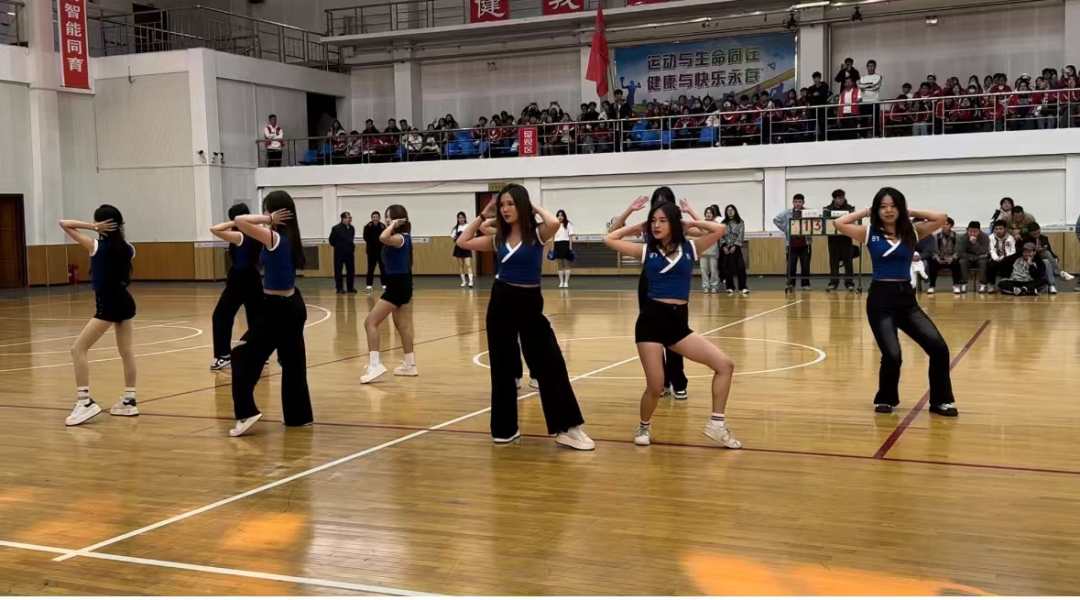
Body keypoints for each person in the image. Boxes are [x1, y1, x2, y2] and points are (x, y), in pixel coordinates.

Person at [455, 184, 594, 450]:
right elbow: (463, 242)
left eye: (510, 204)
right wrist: (483, 214)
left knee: (551, 362)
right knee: (503, 367)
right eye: (502, 205)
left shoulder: (537, 234)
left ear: (522, 205)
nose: (505, 209)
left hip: (530, 303)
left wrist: (533, 207)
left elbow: (554, 222)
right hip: (501, 300)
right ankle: (504, 430)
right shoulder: (498, 239)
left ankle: (567, 428)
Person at [604, 201, 741, 448]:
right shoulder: (647, 251)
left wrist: (689, 222)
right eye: (653, 221)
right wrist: (637, 225)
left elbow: (719, 230)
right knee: (655, 386)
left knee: (725, 365)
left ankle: (717, 425)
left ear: (674, 224)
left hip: (677, 324)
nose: (656, 225)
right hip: (651, 322)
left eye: (662, 220)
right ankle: (644, 425)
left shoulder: (690, 248)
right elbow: (609, 239)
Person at [833, 188, 958, 417]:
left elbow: (941, 218)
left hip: (906, 301)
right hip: (880, 301)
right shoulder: (869, 233)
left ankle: (940, 401)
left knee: (939, 349)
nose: (888, 211)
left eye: (893, 206)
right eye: (883, 207)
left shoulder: (913, 231)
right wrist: (867, 211)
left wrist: (908, 211)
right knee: (892, 355)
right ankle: (886, 398)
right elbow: (839, 223)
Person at [228, 191, 313, 437]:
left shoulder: (273, 236)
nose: (265, 214)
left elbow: (239, 221)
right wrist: (269, 219)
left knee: (241, 354)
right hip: (293, 305)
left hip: (278, 309)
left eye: (267, 209)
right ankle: (299, 416)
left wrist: (268, 219)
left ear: (276, 212)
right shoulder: (291, 237)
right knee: (293, 361)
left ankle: (246, 412)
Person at [59, 206, 139, 426]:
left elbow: (64, 224)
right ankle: (129, 400)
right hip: (125, 301)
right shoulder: (129, 248)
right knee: (126, 351)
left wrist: (93, 227)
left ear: (101, 224)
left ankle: (85, 402)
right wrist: (100, 227)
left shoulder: (96, 246)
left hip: (109, 304)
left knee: (78, 349)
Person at [608, 188, 689, 399]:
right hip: (650, 281)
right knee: (653, 334)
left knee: (677, 334)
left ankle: (678, 380)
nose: (660, 206)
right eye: (656, 202)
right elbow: (612, 233)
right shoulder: (649, 227)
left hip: (674, 284)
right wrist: (630, 211)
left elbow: (709, 232)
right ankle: (661, 382)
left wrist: (690, 215)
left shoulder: (679, 227)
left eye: (665, 202)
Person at [360, 205, 418, 384]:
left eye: (390, 217)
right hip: (403, 284)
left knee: (370, 323)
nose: (387, 220)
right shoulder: (402, 237)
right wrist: (392, 225)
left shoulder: (400, 237)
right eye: (386, 217)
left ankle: (375, 365)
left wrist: (392, 225)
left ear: (399, 218)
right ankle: (410, 365)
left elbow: (382, 237)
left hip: (397, 286)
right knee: (403, 326)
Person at [209, 203, 264, 371]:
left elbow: (215, 229)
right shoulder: (258, 232)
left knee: (220, 316)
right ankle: (260, 353)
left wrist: (236, 223)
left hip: (239, 279)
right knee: (256, 316)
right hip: (254, 278)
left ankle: (224, 355)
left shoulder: (240, 235)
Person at [1022, 222, 1075, 294]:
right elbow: (1024, 251)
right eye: (1034, 234)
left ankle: (1052, 285)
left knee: (1046, 261)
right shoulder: (1025, 239)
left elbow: (1050, 250)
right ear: (1030, 233)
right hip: (1031, 258)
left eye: (1038, 233)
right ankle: (1060, 273)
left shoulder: (1044, 238)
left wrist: (1055, 257)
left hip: (1042, 258)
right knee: (1046, 253)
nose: (1037, 235)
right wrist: (1037, 251)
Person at [774, 193, 812, 291]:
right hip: (791, 244)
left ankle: (805, 285)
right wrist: (786, 229)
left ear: (803, 202)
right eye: (796, 202)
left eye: (800, 202)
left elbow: (816, 221)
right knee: (791, 266)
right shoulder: (787, 213)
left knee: (805, 265)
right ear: (793, 203)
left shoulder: (808, 212)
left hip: (805, 244)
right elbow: (776, 220)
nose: (798, 203)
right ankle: (790, 284)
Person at [825, 189, 856, 291]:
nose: (841, 200)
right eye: (839, 198)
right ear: (834, 199)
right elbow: (825, 222)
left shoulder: (850, 208)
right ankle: (833, 283)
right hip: (833, 239)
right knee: (833, 261)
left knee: (848, 261)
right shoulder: (827, 209)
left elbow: (853, 221)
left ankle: (849, 283)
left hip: (846, 239)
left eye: (842, 198)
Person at [928, 217, 962, 294]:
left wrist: (952, 258)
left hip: (951, 260)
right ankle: (932, 286)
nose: (944, 226)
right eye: (943, 224)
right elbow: (934, 251)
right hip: (940, 259)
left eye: (947, 224)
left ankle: (956, 285)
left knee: (957, 262)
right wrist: (937, 259)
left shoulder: (956, 236)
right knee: (932, 262)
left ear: (951, 226)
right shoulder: (937, 236)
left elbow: (957, 251)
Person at [720, 204, 748, 294]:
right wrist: (723, 246)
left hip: (737, 248)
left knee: (741, 267)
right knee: (728, 269)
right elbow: (720, 236)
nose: (730, 212)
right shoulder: (723, 223)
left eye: (732, 210)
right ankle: (730, 287)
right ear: (726, 212)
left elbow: (741, 235)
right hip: (727, 248)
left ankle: (742, 287)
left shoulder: (740, 222)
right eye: (728, 210)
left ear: (735, 211)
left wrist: (735, 246)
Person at [329, 212, 357, 294]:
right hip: (339, 253)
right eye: (348, 218)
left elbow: (351, 239)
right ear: (343, 219)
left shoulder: (352, 228)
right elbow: (331, 240)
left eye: (350, 217)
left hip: (350, 252)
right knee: (338, 270)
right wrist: (339, 246)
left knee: (351, 270)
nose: (350, 219)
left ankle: (350, 287)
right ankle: (339, 288)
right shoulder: (336, 228)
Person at [988, 219, 1017, 291]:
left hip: (1007, 258)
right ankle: (992, 285)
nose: (998, 231)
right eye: (996, 229)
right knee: (991, 264)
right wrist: (997, 259)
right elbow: (992, 250)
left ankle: (1006, 284)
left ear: (1005, 229)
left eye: (1001, 229)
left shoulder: (1010, 238)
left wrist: (1005, 258)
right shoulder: (991, 238)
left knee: (1008, 262)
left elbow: (1013, 251)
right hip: (995, 258)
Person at [699, 205, 721, 293]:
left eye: (710, 213)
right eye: (707, 213)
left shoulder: (717, 224)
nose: (708, 214)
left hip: (713, 250)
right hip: (703, 250)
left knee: (713, 270)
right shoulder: (701, 224)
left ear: (713, 214)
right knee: (703, 269)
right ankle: (705, 286)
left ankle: (714, 286)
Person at [362, 211, 386, 292]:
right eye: (374, 217)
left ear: (379, 218)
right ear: (371, 218)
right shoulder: (367, 226)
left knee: (383, 268)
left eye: (376, 217)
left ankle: (384, 284)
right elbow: (366, 238)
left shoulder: (383, 226)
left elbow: (384, 237)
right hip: (371, 252)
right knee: (370, 269)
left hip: (381, 251)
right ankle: (369, 285)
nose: (375, 218)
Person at [858, 60, 882, 136]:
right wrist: (870, 85)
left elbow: (876, 86)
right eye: (869, 66)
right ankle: (863, 136)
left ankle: (876, 135)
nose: (871, 68)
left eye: (872, 66)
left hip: (875, 101)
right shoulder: (862, 78)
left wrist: (865, 86)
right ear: (867, 67)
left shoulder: (878, 77)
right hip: (864, 102)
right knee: (863, 120)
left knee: (875, 120)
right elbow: (860, 86)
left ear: (875, 67)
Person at [450, 211, 475, 288]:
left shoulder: (468, 226)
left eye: (462, 217)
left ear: (465, 218)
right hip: (458, 247)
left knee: (468, 264)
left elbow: (473, 235)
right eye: (459, 217)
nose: (461, 219)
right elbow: (453, 238)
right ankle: (463, 281)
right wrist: (457, 239)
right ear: (457, 219)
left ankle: (471, 282)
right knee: (461, 265)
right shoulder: (456, 228)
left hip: (466, 247)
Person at [553, 209, 575, 288]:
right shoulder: (555, 225)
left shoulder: (568, 224)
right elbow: (553, 237)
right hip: (557, 244)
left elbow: (570, 236)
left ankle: (566, 282)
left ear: (564, 216)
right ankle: (561, 282)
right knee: (559, 264)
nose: (560, 217)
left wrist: (570, 247)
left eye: (561, 215)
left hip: (565, 244)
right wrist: (553, 247)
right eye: (558, 215)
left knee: (566, 263)